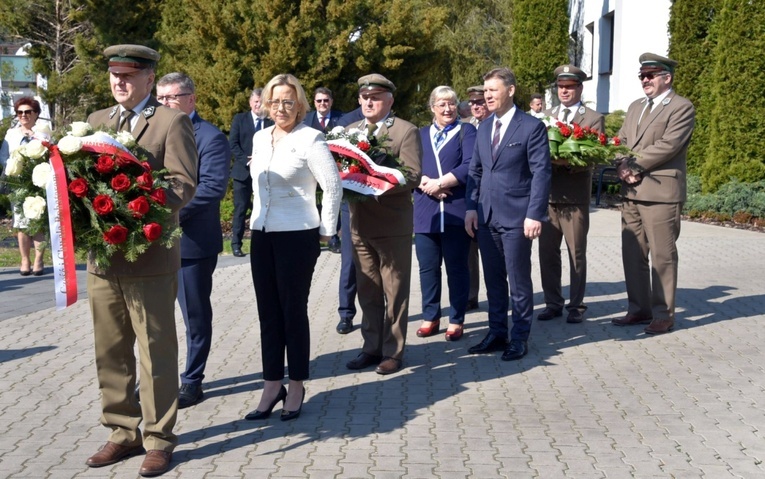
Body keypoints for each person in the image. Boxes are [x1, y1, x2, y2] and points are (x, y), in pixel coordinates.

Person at [83, 44, 198, 477]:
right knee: (110, 351)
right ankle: (121, 432)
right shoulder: (95, 123)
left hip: (149, 256)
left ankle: (160, 438)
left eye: (129, 76)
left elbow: (184, 184)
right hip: (103, 260)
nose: (119, 83)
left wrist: (134, 204)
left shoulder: (171, 122)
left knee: (155, 353)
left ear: (150, 79)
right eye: (115, 75)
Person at [244, 73, 341, 421]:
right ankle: (272, 383)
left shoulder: (311, 138)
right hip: (263, 234)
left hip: (298, 234)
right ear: (266, 104)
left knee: (292, 311)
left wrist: (327, 231)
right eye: (275, 101)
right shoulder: (259, 138)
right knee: (268, 312)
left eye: (288, 101)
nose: (281, 107)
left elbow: (332, 186)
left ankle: (296, 382)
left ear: (300, 104)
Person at [465, 67, 551, 361]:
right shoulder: (484, 127)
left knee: (518, 279)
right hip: (486, 216)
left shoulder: (531, 127)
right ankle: (497, 332)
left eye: (493, 90)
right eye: (485, 91)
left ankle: (519, 336)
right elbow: (475, 170)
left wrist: (535, 214)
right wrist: (470, 208)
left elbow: (541, 173)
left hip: (518, 217)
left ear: (511, 91)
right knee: (493, 279)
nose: (487, 96)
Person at [156, 72, 231, 409]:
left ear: (191, 99)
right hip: (153, 243)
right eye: (160, 98)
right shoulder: (154, 133)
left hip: (191, 244)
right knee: (154, 318)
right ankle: (159, 378)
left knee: (194, 317)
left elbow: (212, 189)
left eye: (171, 98)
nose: (165, 104)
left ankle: (192, 381)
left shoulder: (210, 137)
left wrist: (166, 213)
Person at [344, 73, 422, 375]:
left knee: (395, 291)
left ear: (389, 100)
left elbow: (413, 175)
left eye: (375, 97)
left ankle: (393, 351)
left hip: (392, 224)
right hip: (360, 223)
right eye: (364, 97)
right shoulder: (349, 131)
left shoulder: (405, 131)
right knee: (368, 290)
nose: (368, 102)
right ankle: (370, 346)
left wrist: (376, 179)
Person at [612, 52, 695, 335]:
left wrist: (633, 164)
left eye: (650, 75)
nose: (644, 80)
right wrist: (619, 162)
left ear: (666, 78)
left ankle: (663, 314)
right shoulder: (636, 106)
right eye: (642, 76)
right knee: (632, 254)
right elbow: (621, 140)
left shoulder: (681, 107)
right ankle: (638, 309)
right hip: (631, 190)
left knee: (662, 255)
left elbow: (669, 144)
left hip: (660, 192)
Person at [538, 65, 605, 324]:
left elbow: (594, 157)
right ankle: (552, 302)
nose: (564, 91)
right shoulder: (545, 115)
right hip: (547, 197)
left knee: (576, 252)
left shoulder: (592, 118)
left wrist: (561, 160)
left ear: (580, 88)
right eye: (561, 86)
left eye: (570, 87)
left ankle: (576, 305)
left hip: (574, 196)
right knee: (547, 253)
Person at [414, 86, 477, 341]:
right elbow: (406, 165)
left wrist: (441, 183)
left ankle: (456, 318)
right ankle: (431, 316)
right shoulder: (419, 135)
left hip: (455, 208)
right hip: (425, 211)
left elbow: (471, 164)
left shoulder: (467, 131)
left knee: (457, 267)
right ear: (432, 108)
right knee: (428, 268)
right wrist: (425, 184)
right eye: (441, 104)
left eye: (451, 103)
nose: (447, 109)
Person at [1, 98, 46, 276]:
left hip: (39, 182)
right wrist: (16, 164)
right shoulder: (11, 134)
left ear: (36, 114)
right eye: (20, 112)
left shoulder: (44, 132)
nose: (23, 115)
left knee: (38, 223)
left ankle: (39, 260)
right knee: (21, 223)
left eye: (27, 112)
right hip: (17, 183)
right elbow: (3, 157)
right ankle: (25, 259)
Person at [229, 88, 273, 257]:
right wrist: (249, 160)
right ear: (250, 102)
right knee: (240, 209)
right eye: (255, 101)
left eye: (261, 102)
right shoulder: (240, 119)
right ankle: (236, 244)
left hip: (266, 174)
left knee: (264, 208)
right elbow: (233, 144)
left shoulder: (271, 122)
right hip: (243, 174)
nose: (258, 105)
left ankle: (263, 245)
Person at [303, 87, 344, 253]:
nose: (322, 104)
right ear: (314, 102)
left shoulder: (342, 119)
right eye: (319, 100)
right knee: (313, 203)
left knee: (332, 202)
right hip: (311, 170)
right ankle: (312, 238)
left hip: (335, 169)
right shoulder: (306, 119)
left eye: (326, 100)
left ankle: (333, 239)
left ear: (331, 102)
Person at [464, 85, 489, 311]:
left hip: (493, 198)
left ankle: (498, 293)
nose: (475, 106)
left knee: (494, 252)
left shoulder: (496, 125)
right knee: (470, 251)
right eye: (472, 103)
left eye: (480, 102)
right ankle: (471, 295)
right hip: (471, 197)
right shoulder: (466, 127)